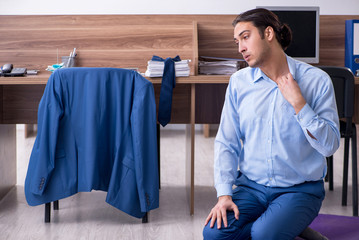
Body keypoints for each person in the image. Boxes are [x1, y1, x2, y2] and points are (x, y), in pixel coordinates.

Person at [203, 8, 340, 240]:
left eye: (246, 37)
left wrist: (299, 104)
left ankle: (280, 224)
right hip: (252, 188)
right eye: (237, 41)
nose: (240, 48)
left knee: (264, 234)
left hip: (300, 189)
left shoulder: (317, 81)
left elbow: (329, 146)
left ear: (268, 33)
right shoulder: (239, 83)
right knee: (214, 234)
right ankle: (289, 227)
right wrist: (224, 195)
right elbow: (227, 142)